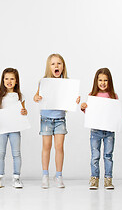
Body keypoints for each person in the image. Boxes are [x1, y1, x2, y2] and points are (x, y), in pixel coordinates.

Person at [81, 68, 122, 190]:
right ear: (96, 81)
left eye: (105, 80)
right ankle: (94, 179)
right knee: (95, 155)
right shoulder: (92, 96)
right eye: (100, 80)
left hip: (109, 131)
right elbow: (89, 113)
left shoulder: (114, 96)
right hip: (95, 131)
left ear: (110, 81)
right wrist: (83, 108)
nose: (103, 83)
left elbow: (118, 113)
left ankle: (108, 180)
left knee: (108, 155)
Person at [33, 53, 80, 188]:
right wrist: (36, 98)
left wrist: (75, 100)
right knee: (46, 147)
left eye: (59, 63)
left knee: (59, 147)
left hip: (60, 118)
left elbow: (71, 100)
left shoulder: (67, 82)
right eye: (53, 64)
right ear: (49, 67)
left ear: (63, 66)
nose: (56, 66)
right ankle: (45, 175)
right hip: (46, 118)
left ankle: (58, 175)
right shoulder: (44, 81)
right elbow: (36, 96)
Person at [0, 68, 27, 189]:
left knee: (16, 153)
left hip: (15, 128)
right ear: (3, 80)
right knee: (0, 153)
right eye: (6, 78)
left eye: (12, 78)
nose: (9, 81)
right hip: (1, 129)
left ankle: (16, 177)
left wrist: (24, 112)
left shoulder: (20, 96)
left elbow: (23, 112)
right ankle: (0, 177)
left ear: (16, 81)